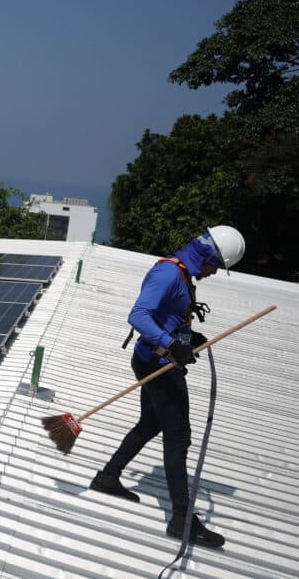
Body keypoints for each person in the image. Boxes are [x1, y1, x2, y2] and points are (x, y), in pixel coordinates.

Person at [89, 225, 246, 548]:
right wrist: (171, 345)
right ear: (208, 256)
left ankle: (107, 477)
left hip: (156, 361)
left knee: (151, 423)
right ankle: (181, 520)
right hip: (158, 366)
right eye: (217, 265)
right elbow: (138, 315)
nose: (215, 272)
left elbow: (167, 317)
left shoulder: (182, 273)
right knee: (178, 438)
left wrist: (187, 338)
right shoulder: (169, 274)